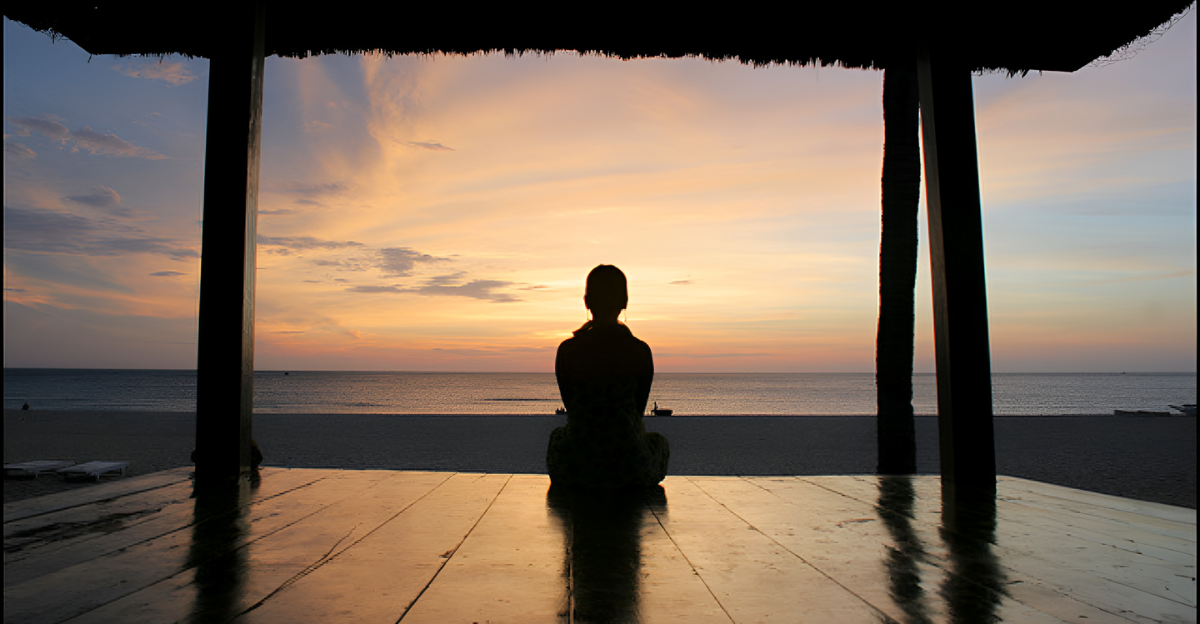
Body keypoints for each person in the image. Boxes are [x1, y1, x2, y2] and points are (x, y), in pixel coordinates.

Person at [547, 265, 670, 487]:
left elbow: (572, 408)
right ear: (625, 302)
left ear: (586, 302)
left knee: (557, 436)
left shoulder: (568, 350)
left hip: (577, 467)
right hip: (630, 468)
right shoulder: (639, 351)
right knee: (659, 442)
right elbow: (637, 411)